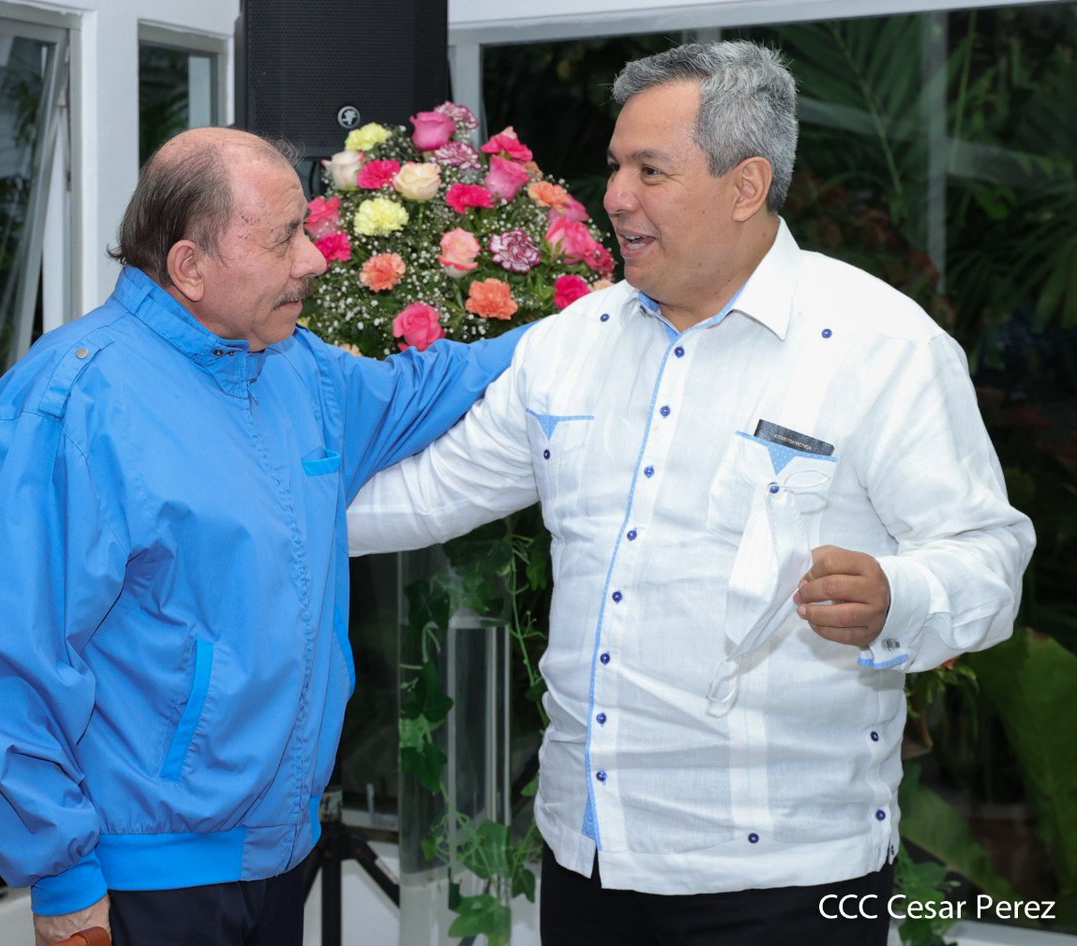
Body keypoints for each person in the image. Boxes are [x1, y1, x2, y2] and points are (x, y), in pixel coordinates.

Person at [347, 41, 1035, 945]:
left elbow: (988, 558)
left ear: (747, 185)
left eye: (650, 170)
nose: (616, 196)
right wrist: (237, 515)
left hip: (785, 882)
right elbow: (431, 493)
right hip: (586, 860)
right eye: (615, 166)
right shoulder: (571, 343)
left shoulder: (879, 348)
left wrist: (896, 596)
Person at [0, 126, 528, 946]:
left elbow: (428, 386)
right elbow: (5, 662)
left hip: (281, 859)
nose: (315, 260)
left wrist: (590, 333)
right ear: (189, 267)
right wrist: (63, 877)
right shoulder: (73, 401)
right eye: (286, 237)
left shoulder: (298, 369)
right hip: (142, 882)